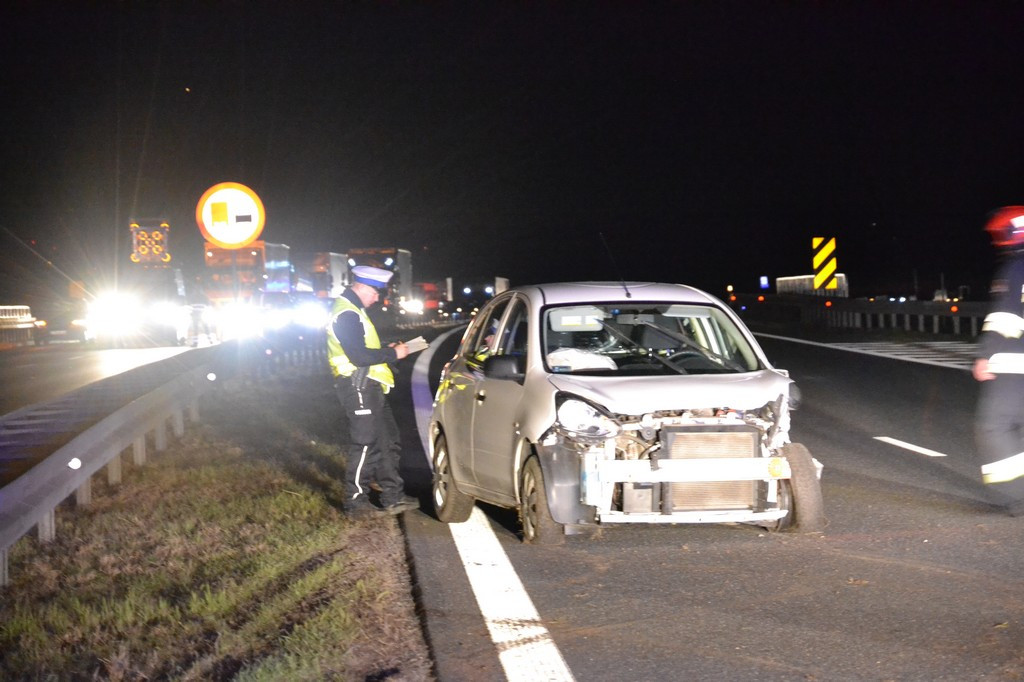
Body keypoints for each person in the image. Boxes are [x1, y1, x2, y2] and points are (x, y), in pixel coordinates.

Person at [327, 265, 418, 518]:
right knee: (366, 444)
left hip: (370, 385)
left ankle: (392, 496)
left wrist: (386, 349)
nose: (378, 298)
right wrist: (393, 354)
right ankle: (355, 502)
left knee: (388, 442)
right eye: (376, 292)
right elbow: (358, 356)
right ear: (363, 287)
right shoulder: (347, 313)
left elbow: (363, 348)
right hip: (358, 385)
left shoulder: (354, 311)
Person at [973, 206, 1024, 513]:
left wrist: (985, 355)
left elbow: (1005, 317)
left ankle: (1016, 494)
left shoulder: (1016, 267)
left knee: (995, 424)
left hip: (1015, 364)